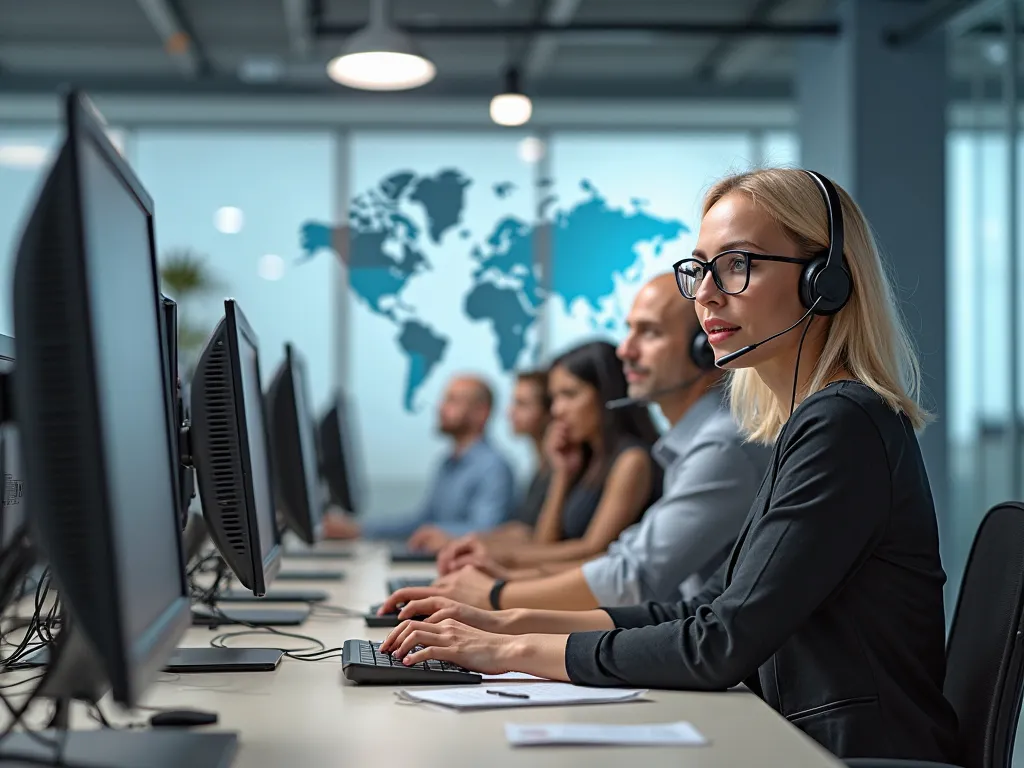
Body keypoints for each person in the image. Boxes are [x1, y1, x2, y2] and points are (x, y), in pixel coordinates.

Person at [377, 168, 962, 764]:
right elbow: (698, 610)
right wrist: (500, 623)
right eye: (701, 268)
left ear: (824, 282)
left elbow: (719, 644)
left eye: (738, 264)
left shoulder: (843, 425)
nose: (707, 293)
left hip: (847, 754)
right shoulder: (809, 425)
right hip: (800, 739)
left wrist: (508, 650)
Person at [383, 273, 769, 612]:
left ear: (706, 348)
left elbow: (628, 574)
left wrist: (498, 593)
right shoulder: (685, 446)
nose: (625, 350)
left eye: (649, 332)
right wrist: (507, 579)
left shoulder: (719, 447)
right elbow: (618, 558)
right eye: (629, 330)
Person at [456, 340, 662, 572]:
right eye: (555, 398)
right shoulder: (588, 458)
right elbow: (545, 542)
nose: (557, 410)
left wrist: (504, 558)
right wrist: (562, 474)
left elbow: (594, 550)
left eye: (570, 394)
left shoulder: (631, 460)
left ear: (605, 395)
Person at [321, 375, 515, 551]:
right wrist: (359, 529)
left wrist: (437, 532)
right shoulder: (447, 463)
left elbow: (487, 529)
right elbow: (421, 521)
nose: (441, 407)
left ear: (481, 412)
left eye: (452, 401)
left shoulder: (493, 467)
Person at [474, 369, 552, 546]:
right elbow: (525, 529)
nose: (510, 412)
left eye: (522, 404)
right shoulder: (540, 468)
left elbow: (536, 536)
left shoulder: (557, 469)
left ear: (548, 411)